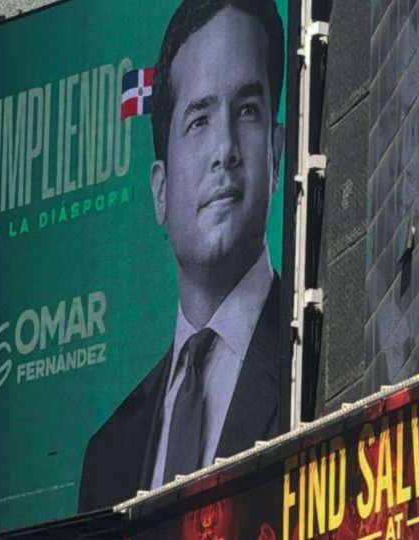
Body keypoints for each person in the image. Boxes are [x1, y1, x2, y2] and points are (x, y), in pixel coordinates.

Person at [78, 0, 285, 512]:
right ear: (161, 190)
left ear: (277, 154)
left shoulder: (316, 362)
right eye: (199, 119)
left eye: (247, 110)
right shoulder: (107, 456)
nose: (226, 150)